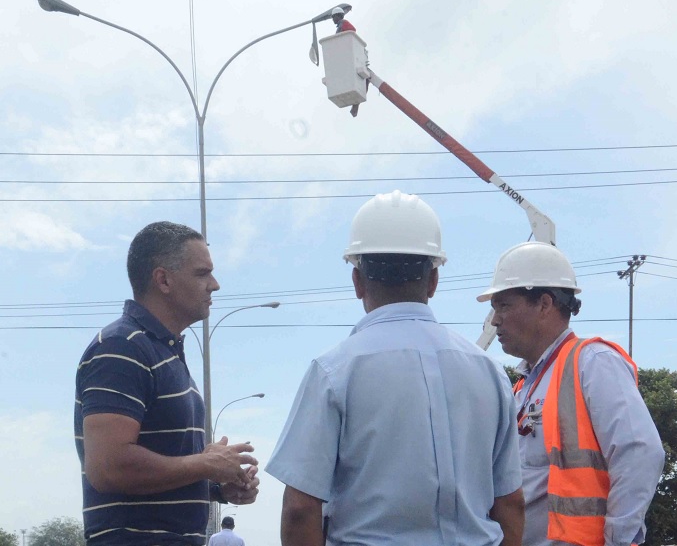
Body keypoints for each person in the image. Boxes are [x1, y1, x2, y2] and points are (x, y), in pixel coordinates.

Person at [266, 190, 524, 546]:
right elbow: (510, 504)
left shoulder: (334, 371)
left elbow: (300, 510)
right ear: (433, 281)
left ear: (358, 281)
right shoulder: (489, 372)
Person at [74, 221, 260, 546]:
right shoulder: (122, 346)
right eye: (202, 273)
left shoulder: (165, 354)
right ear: (164, 280)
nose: (214, 285)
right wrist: (205, 463)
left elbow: (167, 467)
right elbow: (108, 467)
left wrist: (216, 483)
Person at [477, 241, 665, 546]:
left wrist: (618, 540)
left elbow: (640, 452)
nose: (495, 319)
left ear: (544, 304)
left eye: (503, 305)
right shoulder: (523, 388)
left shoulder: (593, 362)